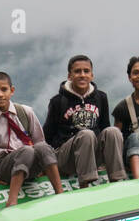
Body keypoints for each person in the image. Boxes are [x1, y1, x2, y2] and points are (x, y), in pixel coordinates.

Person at [0, 72, 65, 207]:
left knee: (42, 147)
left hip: (31, 164)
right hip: (5, 167)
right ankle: (12, 201)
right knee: (26, 151)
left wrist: (43, 169)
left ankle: (60, 192)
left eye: (4, 90)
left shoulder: (26, 112)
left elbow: (39, 140)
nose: (0, 94)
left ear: (12, 91)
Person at [42, 55, 127, 188]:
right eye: (77, 71)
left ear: (92, 75)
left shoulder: (101, 98)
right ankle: (85, 185)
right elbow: (47, 136)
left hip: (92, 155)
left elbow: (104, 127)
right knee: (86, 134)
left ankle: (117, 182)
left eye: (86, 71)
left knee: (113, 131)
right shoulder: (58, 101)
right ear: (69, 76)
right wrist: (45, 167)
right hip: (66, 158)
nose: (82, 75)